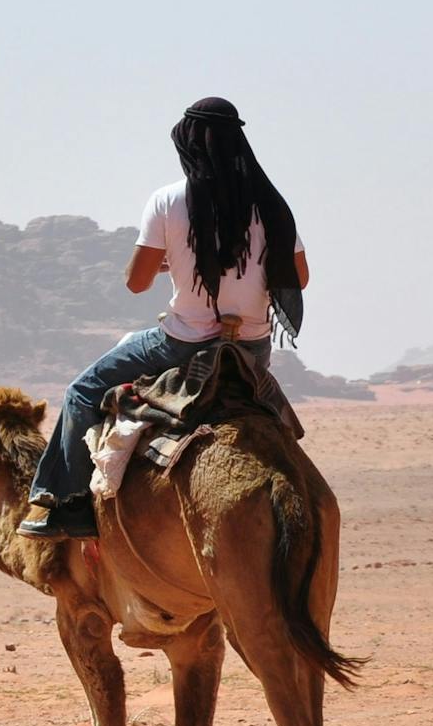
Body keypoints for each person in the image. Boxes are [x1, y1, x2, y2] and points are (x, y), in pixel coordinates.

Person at [19, 96, 309, 539]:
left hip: (182, 344)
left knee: (81, 391)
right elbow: (299, 278)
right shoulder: (271, 204)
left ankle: (68, 502)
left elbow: (136, 282)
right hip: (251, 349)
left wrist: (173, 260)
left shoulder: (169, 200)